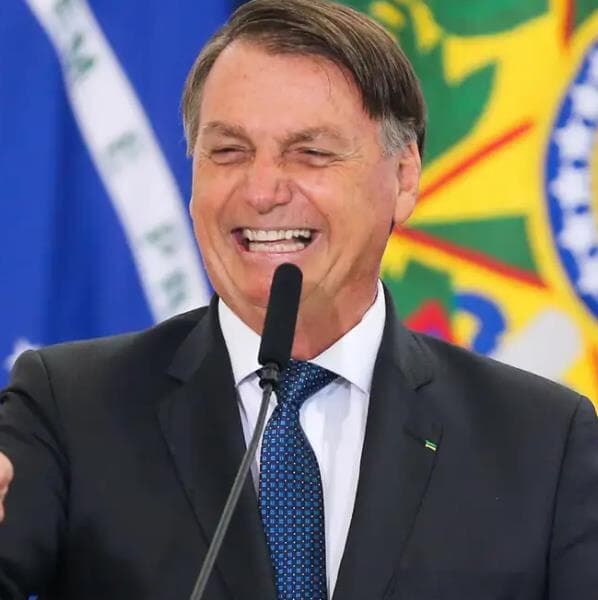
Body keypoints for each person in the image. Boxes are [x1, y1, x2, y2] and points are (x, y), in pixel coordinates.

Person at [1, 0, 597, 598]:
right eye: (229, 152)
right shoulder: (67, 409)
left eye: (310, 153)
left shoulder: (544, 443)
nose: (262, 191)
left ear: (403, 177)